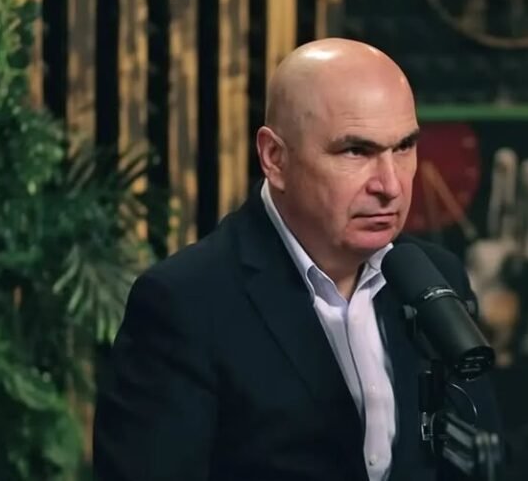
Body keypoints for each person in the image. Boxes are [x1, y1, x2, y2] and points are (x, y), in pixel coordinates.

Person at [94, 38, 502, 481]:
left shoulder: (437, 276)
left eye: (403, 147)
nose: (391, 185)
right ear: (275, 158)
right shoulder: (185, 303)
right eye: (356, 151)